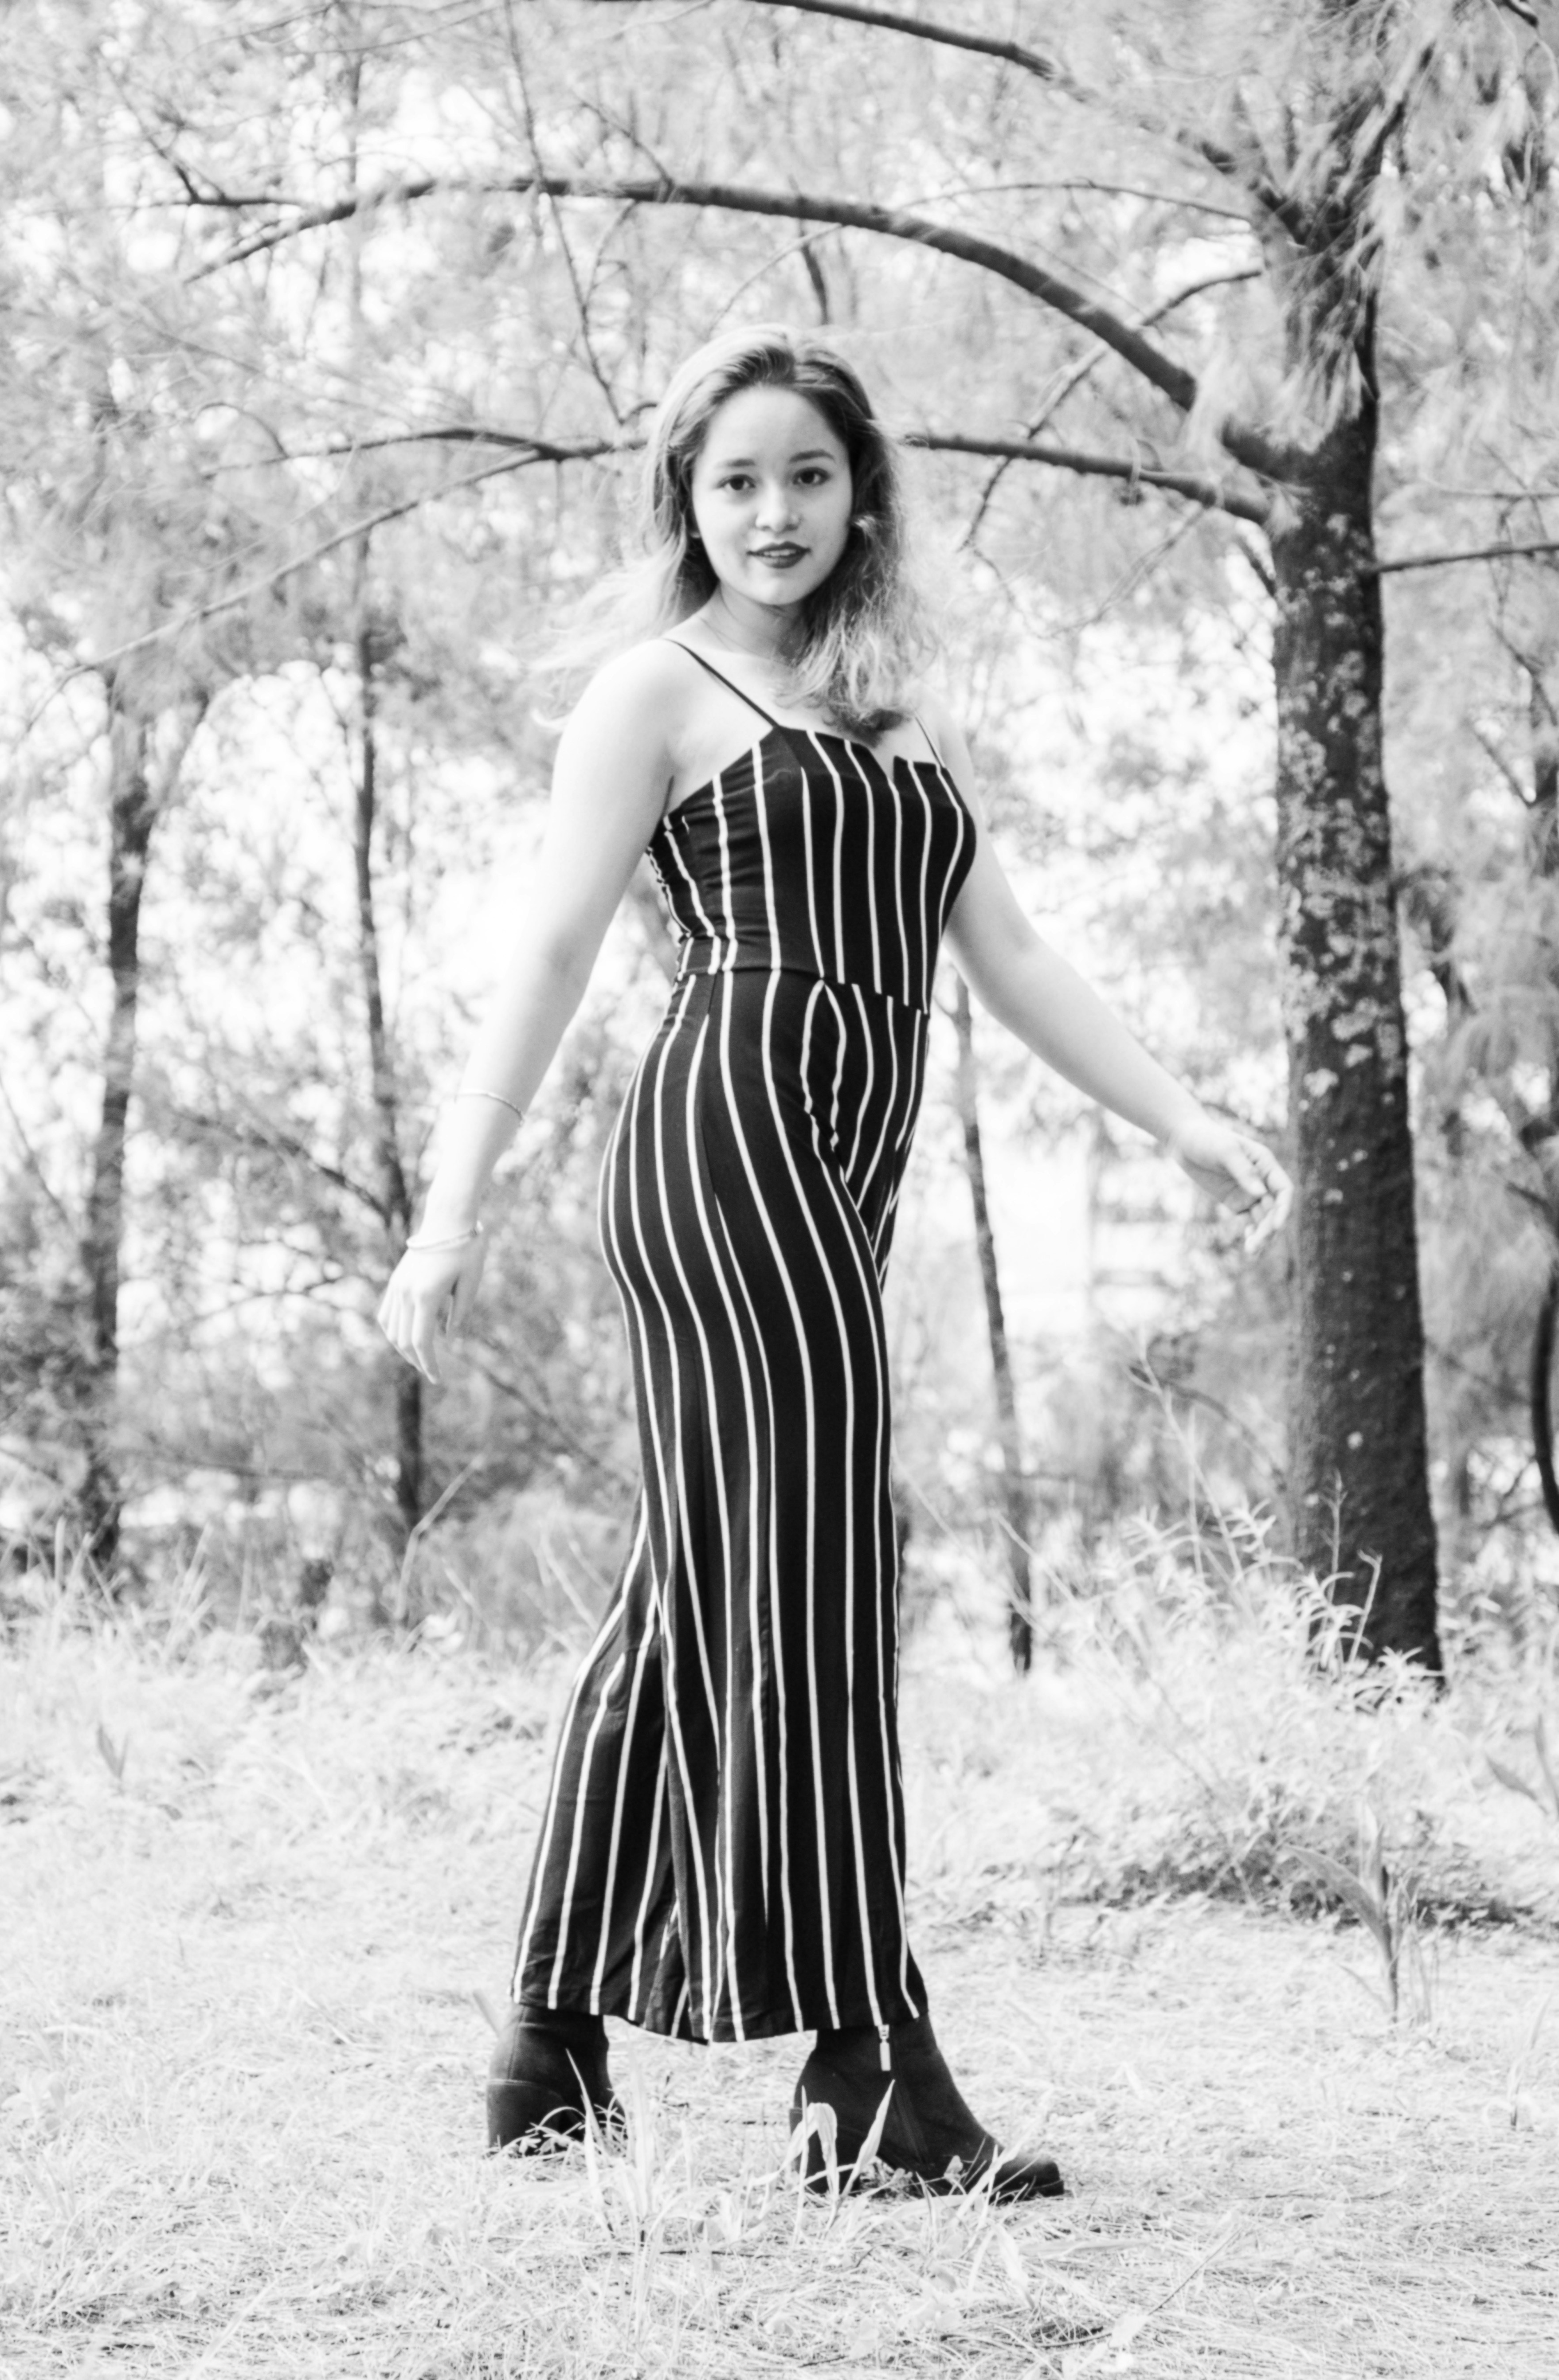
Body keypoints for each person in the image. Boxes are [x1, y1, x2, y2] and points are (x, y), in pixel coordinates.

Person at [377, 324, 1291, 2202]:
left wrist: (1181, 1117)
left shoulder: (893, 708)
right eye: (734, 480)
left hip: (837, 1180)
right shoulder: (656, 688)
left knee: (720, 1579)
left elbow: (1012, 954)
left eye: (805, 473)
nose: (772, 510)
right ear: (686, 505)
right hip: (725, 1153)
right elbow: (548, 952)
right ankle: (871, 2062)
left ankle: (547, 2036)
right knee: (809, 1584)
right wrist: (447, 1214)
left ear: (860, 490)